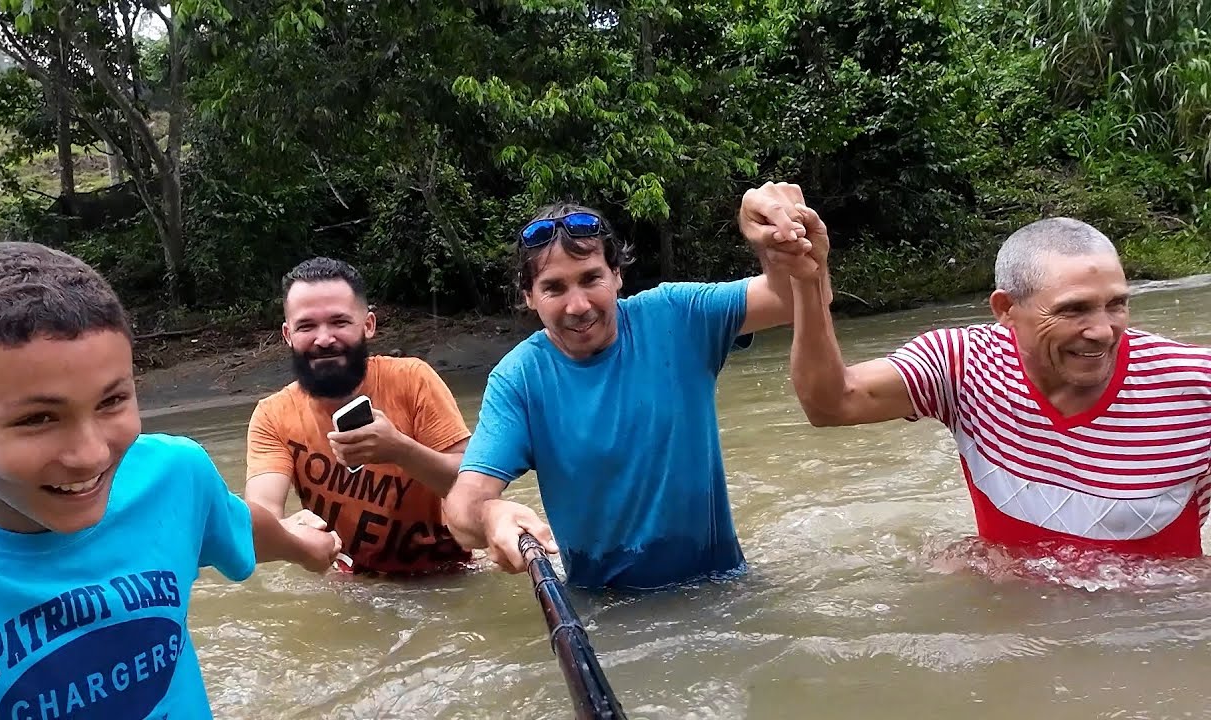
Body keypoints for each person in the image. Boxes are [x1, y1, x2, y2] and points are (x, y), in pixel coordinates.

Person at [0, 241, 340, 718]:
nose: (91, 455)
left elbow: (240, 527)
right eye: (38, 419)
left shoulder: (172, 476)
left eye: (112, 402)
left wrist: (305, 547)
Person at [442, 182, 825, 590]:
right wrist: (491, 517)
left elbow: (795, 297)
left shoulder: (678, 317)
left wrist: (773, 234)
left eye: (591, 278)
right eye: (554, 288)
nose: (578, 306)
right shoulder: (518, 378)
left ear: (617, 275)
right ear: (530, 297)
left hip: (721, 588)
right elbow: (462, 507)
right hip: (608, 612)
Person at [784, 209, 1211, 558]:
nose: (1102, 331)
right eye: (1073, 310)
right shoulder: (963, 365)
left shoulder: (1194, 385)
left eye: (1116, 304)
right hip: (1020, 639)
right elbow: (832, 404)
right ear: (1006, 309)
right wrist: (808, 281)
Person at [245, 257, 475, 576]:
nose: (324, 339)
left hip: (448, 572)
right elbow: (259, 520)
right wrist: (290, 533)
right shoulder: (273, 415)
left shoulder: (412, 379)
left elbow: (473, 484)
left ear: (368, 325)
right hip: (357, 585)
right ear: (287, 334)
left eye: (339, 322)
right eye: (307, 326)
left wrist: (399, 450)